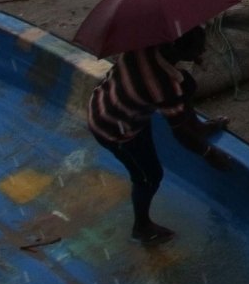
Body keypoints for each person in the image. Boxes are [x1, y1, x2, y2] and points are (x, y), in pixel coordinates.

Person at [86, 26, 229, 246]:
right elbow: (180, 133)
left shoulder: (143, 44)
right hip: (113, 128)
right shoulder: (163, 85)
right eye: (196, 50)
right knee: (148, 175)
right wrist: (209, 153)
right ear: (176, 48)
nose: (201, 52)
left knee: (187, 84)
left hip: (107, 101)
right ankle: (141, 227)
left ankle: (199, 126)